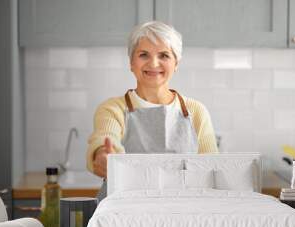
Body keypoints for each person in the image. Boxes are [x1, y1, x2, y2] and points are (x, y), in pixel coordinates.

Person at [86, 21, 218, 202]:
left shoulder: (196, 111)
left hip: (184, 213)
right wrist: (102, 156)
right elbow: (104, 140)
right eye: (143, 55)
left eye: (164, 55)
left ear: (176, 63)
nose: (153, 63)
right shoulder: (113, 109)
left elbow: (211, 169)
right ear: (131, 62)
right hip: (122, 215)